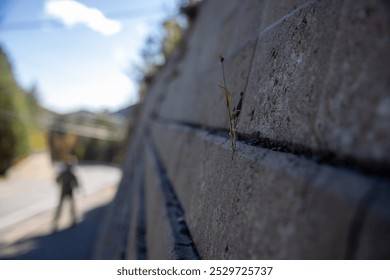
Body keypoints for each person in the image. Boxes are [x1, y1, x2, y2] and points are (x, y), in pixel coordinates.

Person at [53, 161, 79, 231]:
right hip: (66, 191)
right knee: (64, 207)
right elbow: (76, 184)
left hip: (67, 191)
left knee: (70, 207)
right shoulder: (69, 174)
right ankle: (56, 222)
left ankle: (72, 220)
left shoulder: (67, 174)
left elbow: (57, 180)